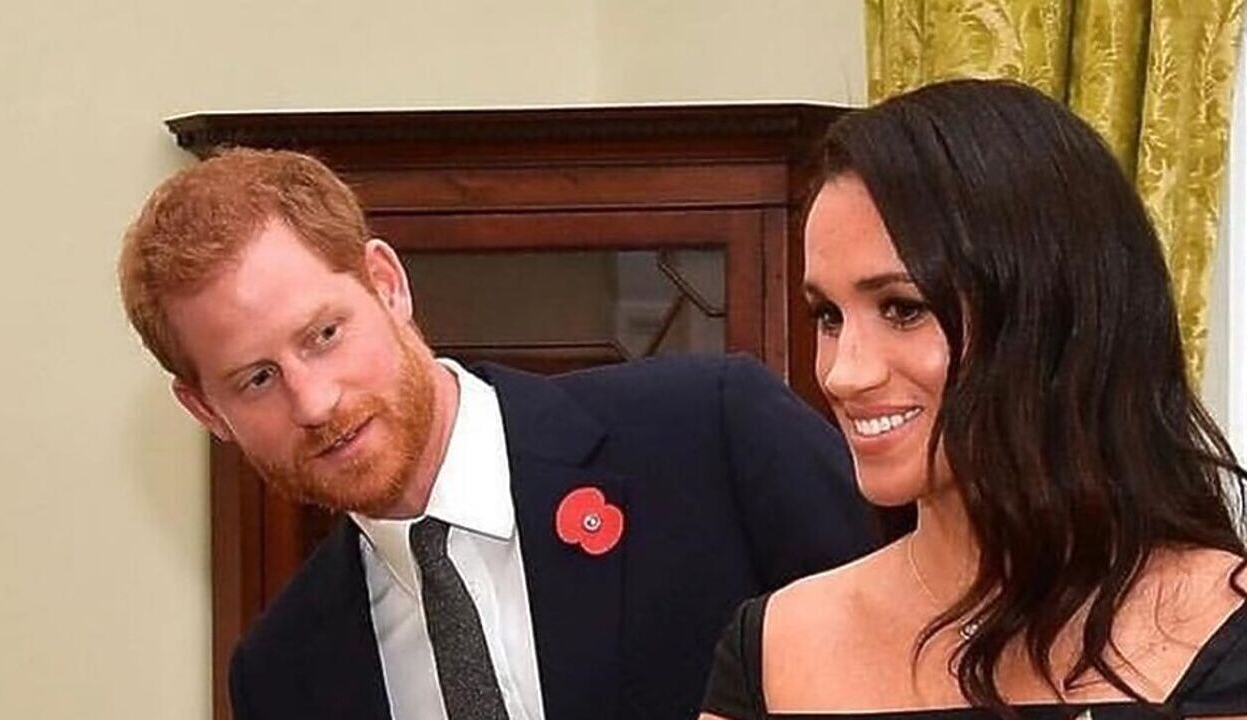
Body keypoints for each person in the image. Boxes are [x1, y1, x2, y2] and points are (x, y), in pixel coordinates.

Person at [117, 148, 877, 720]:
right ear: (207, 413)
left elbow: (925, 651)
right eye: (257, 379)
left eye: (324, 334)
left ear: (387, 285)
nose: (314, 402)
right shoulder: (282, 674)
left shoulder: (709, 433)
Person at [700, 78, 1247, 719]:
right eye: (828, 315)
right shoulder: (776, 646)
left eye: (903, 309)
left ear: (1048, 315)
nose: (844, 374)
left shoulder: (1218, 629)